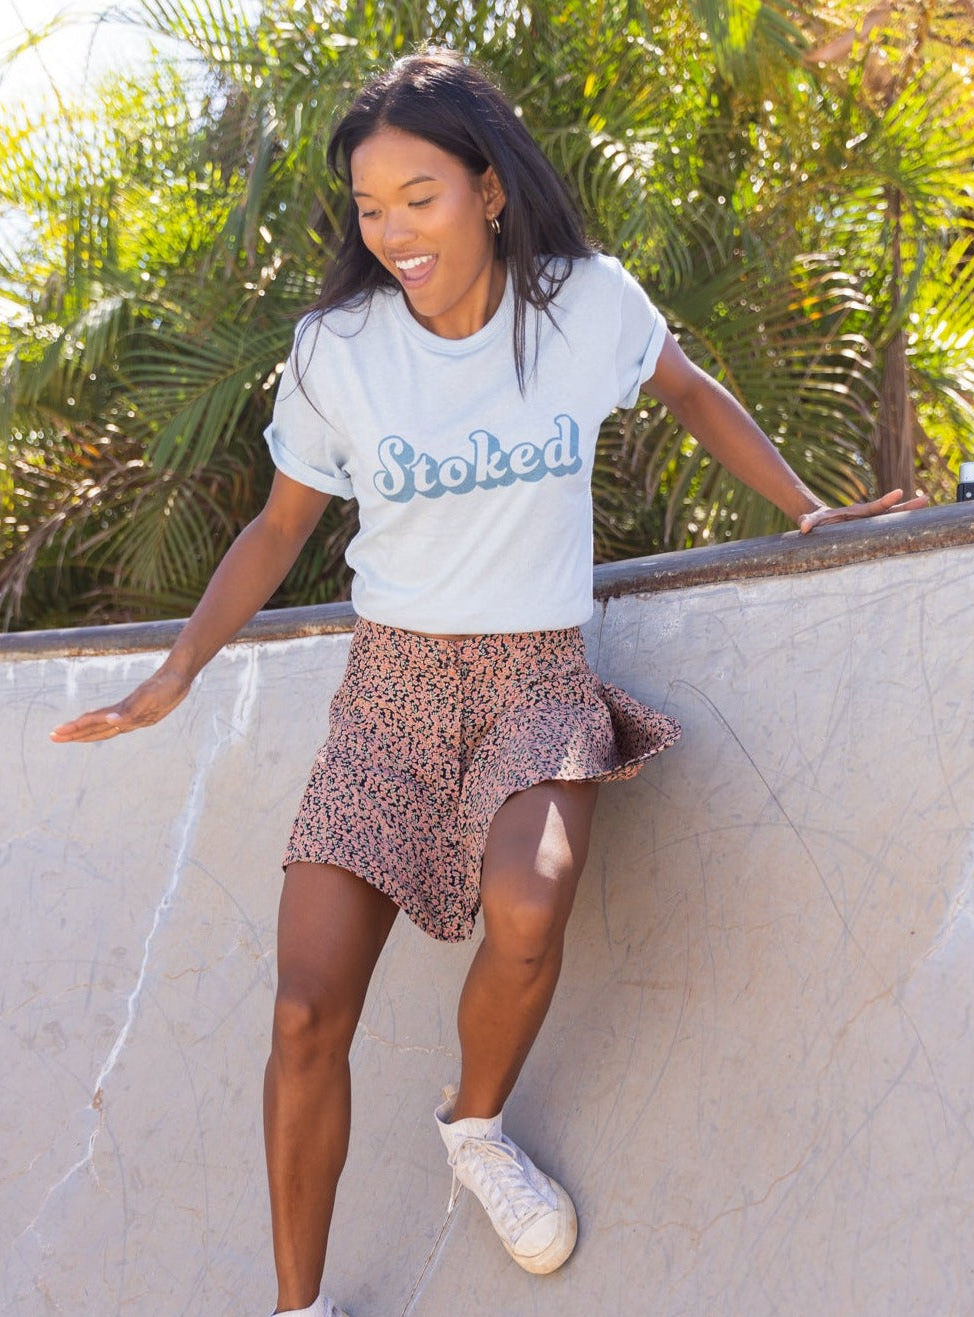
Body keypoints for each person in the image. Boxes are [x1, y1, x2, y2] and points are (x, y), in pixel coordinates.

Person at [51, 48, 925, 1317]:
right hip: (390, 692)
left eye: (421, 194)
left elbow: (685, 389)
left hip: (535, 677)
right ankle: (298, 1309)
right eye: (368, 206)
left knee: (530, 907)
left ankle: (474, 1130)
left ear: (489, 189)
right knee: (304, 1013)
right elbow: (282, 525)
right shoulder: (338, 348)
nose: (394, 228)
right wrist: (177, 670)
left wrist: (807, 509)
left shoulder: (584, 305)